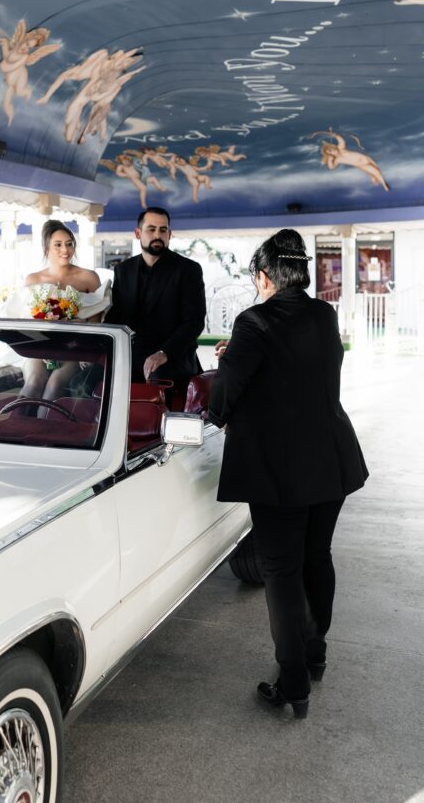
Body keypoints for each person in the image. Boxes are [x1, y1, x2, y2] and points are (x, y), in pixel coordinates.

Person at [208, 229, 368, 719]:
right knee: (317, 556)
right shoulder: (325, 314)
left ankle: (293, 682)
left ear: (263, 276)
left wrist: (228, 363)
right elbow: (301, 374)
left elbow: (223, 400)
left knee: (280, 571)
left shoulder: (253, 322)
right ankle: (314, 654)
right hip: (331, 459)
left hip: (279, 469)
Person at [3, 220, 110, 402]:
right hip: (39, 349)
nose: (65, 250)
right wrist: (40, 347)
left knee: (55, 383)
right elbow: (23, 323)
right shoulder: (33, 280)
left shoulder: (89, 278)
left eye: (69, 244)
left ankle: (44, 428)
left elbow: (97, 322)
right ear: (46, 248)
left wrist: (83, 333)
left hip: (75, 350)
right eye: (58, 245)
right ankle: (16, 426)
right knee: (35, 381)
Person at [104, 206, 206, 384]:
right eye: (151, 229)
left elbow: (194, 321)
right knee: (86, 379)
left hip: (173, 355)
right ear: (138, 233)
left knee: (154, 376)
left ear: (169, 234)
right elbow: (115, 316)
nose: (157, 235)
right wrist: (98, 346)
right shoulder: (123, 270)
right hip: (131, 354)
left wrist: (164, 353)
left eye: (163, 230)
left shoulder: (188, 270)